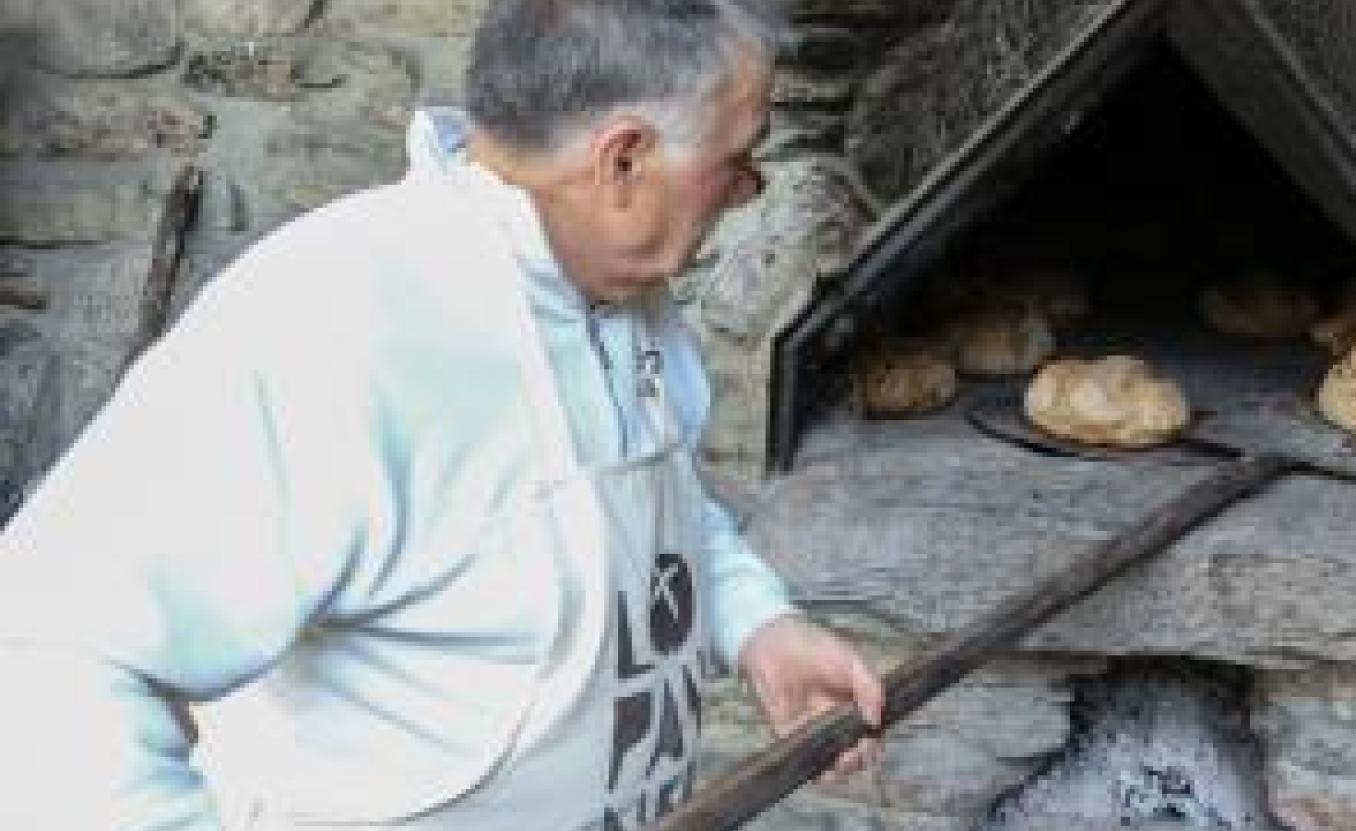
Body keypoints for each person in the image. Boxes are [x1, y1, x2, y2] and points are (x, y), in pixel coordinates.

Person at [0, 0, 885, 828]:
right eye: (736, 159)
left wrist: (755, 623)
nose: (749, 189)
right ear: (622, 160)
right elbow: (43, 655)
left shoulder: (625, 298)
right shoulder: (336, 322)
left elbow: (662, 500)